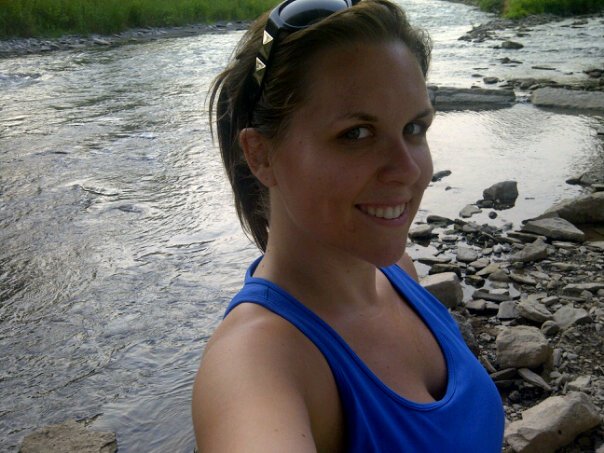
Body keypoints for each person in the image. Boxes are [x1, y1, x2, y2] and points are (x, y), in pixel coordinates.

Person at [192, 0, 505, 451]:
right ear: (260, 155)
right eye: (356, 133)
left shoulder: (397, 272)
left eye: (414, 128)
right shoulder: (255, 362)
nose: (408, 170)